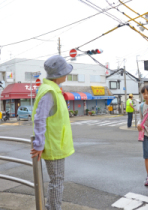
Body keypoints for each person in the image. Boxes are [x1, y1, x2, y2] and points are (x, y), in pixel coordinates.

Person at [30, 55, 75, 210]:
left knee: (57, 180)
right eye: (65, 71)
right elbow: (40, 119)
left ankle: (51, 207)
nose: (67, 74)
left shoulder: (52, 90)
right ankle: (54, 208)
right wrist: (39, 144)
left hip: (56, 143)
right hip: (53, 144)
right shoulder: (50, 92)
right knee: (57, 181)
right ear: (59, 74)